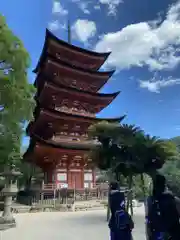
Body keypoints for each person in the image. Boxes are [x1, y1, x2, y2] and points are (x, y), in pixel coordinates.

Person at [146, 174, 180, 240]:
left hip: (156, 235)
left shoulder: (149, 200)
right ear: (164, 185)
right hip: (174, 235)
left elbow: (148, 221)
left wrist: (148, 236)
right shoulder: (174, 200)